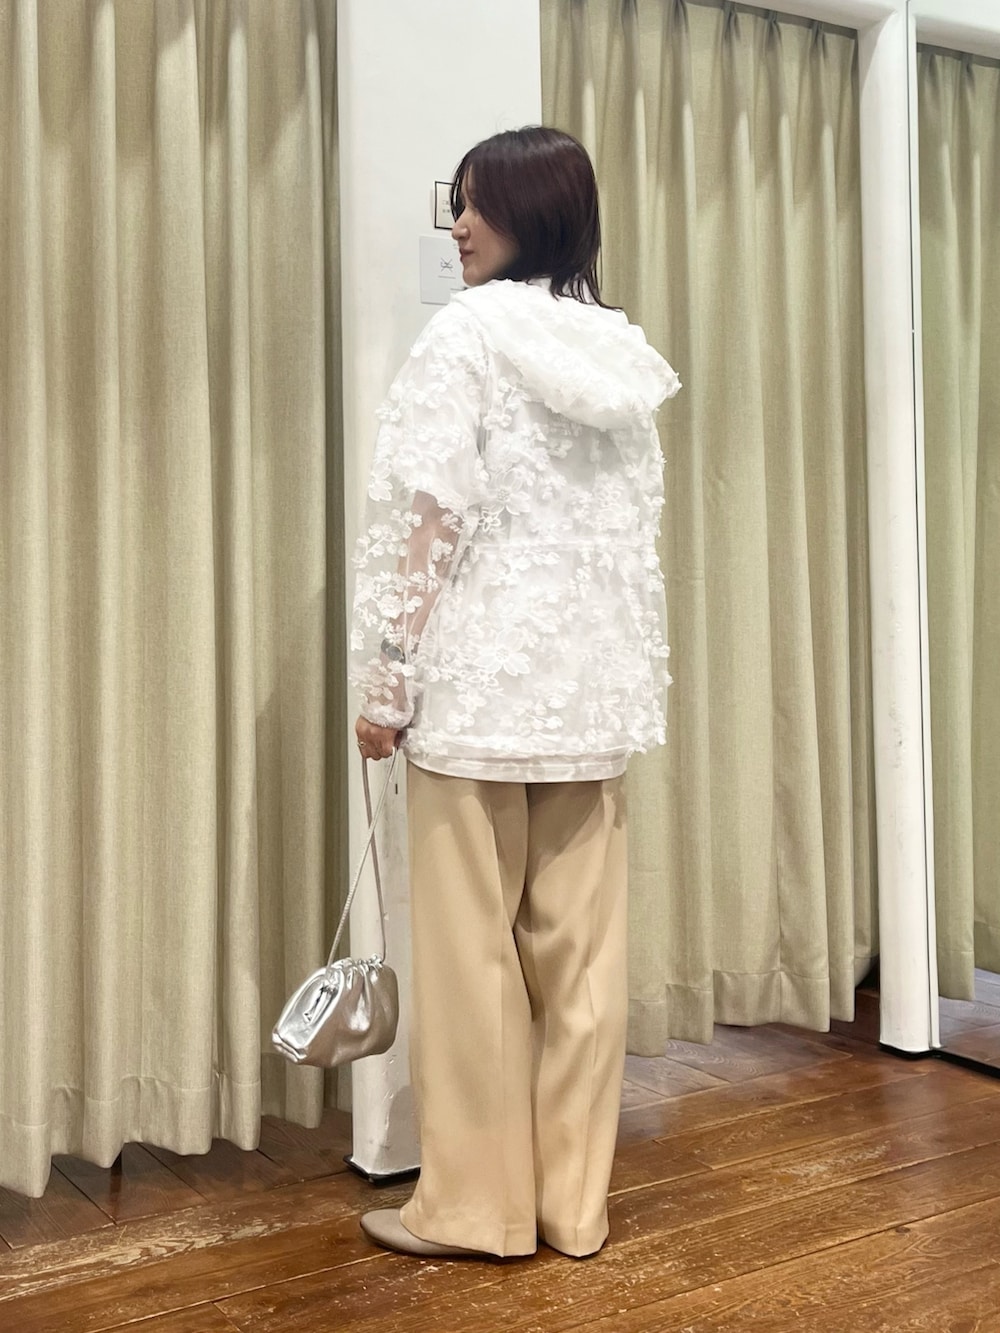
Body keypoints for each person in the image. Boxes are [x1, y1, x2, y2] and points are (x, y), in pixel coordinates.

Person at [350, 126, 680, 1261]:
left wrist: (388, 678)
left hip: (478, 698)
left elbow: (429, 520)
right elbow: (630, 544)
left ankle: (475, 1210)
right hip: (590, 704)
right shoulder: (620, 353)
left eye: (475, 204)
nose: (456, 226)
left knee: (474, 966)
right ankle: (572, 1208)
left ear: (529, 215)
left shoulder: (467, 336)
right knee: (582, 969)